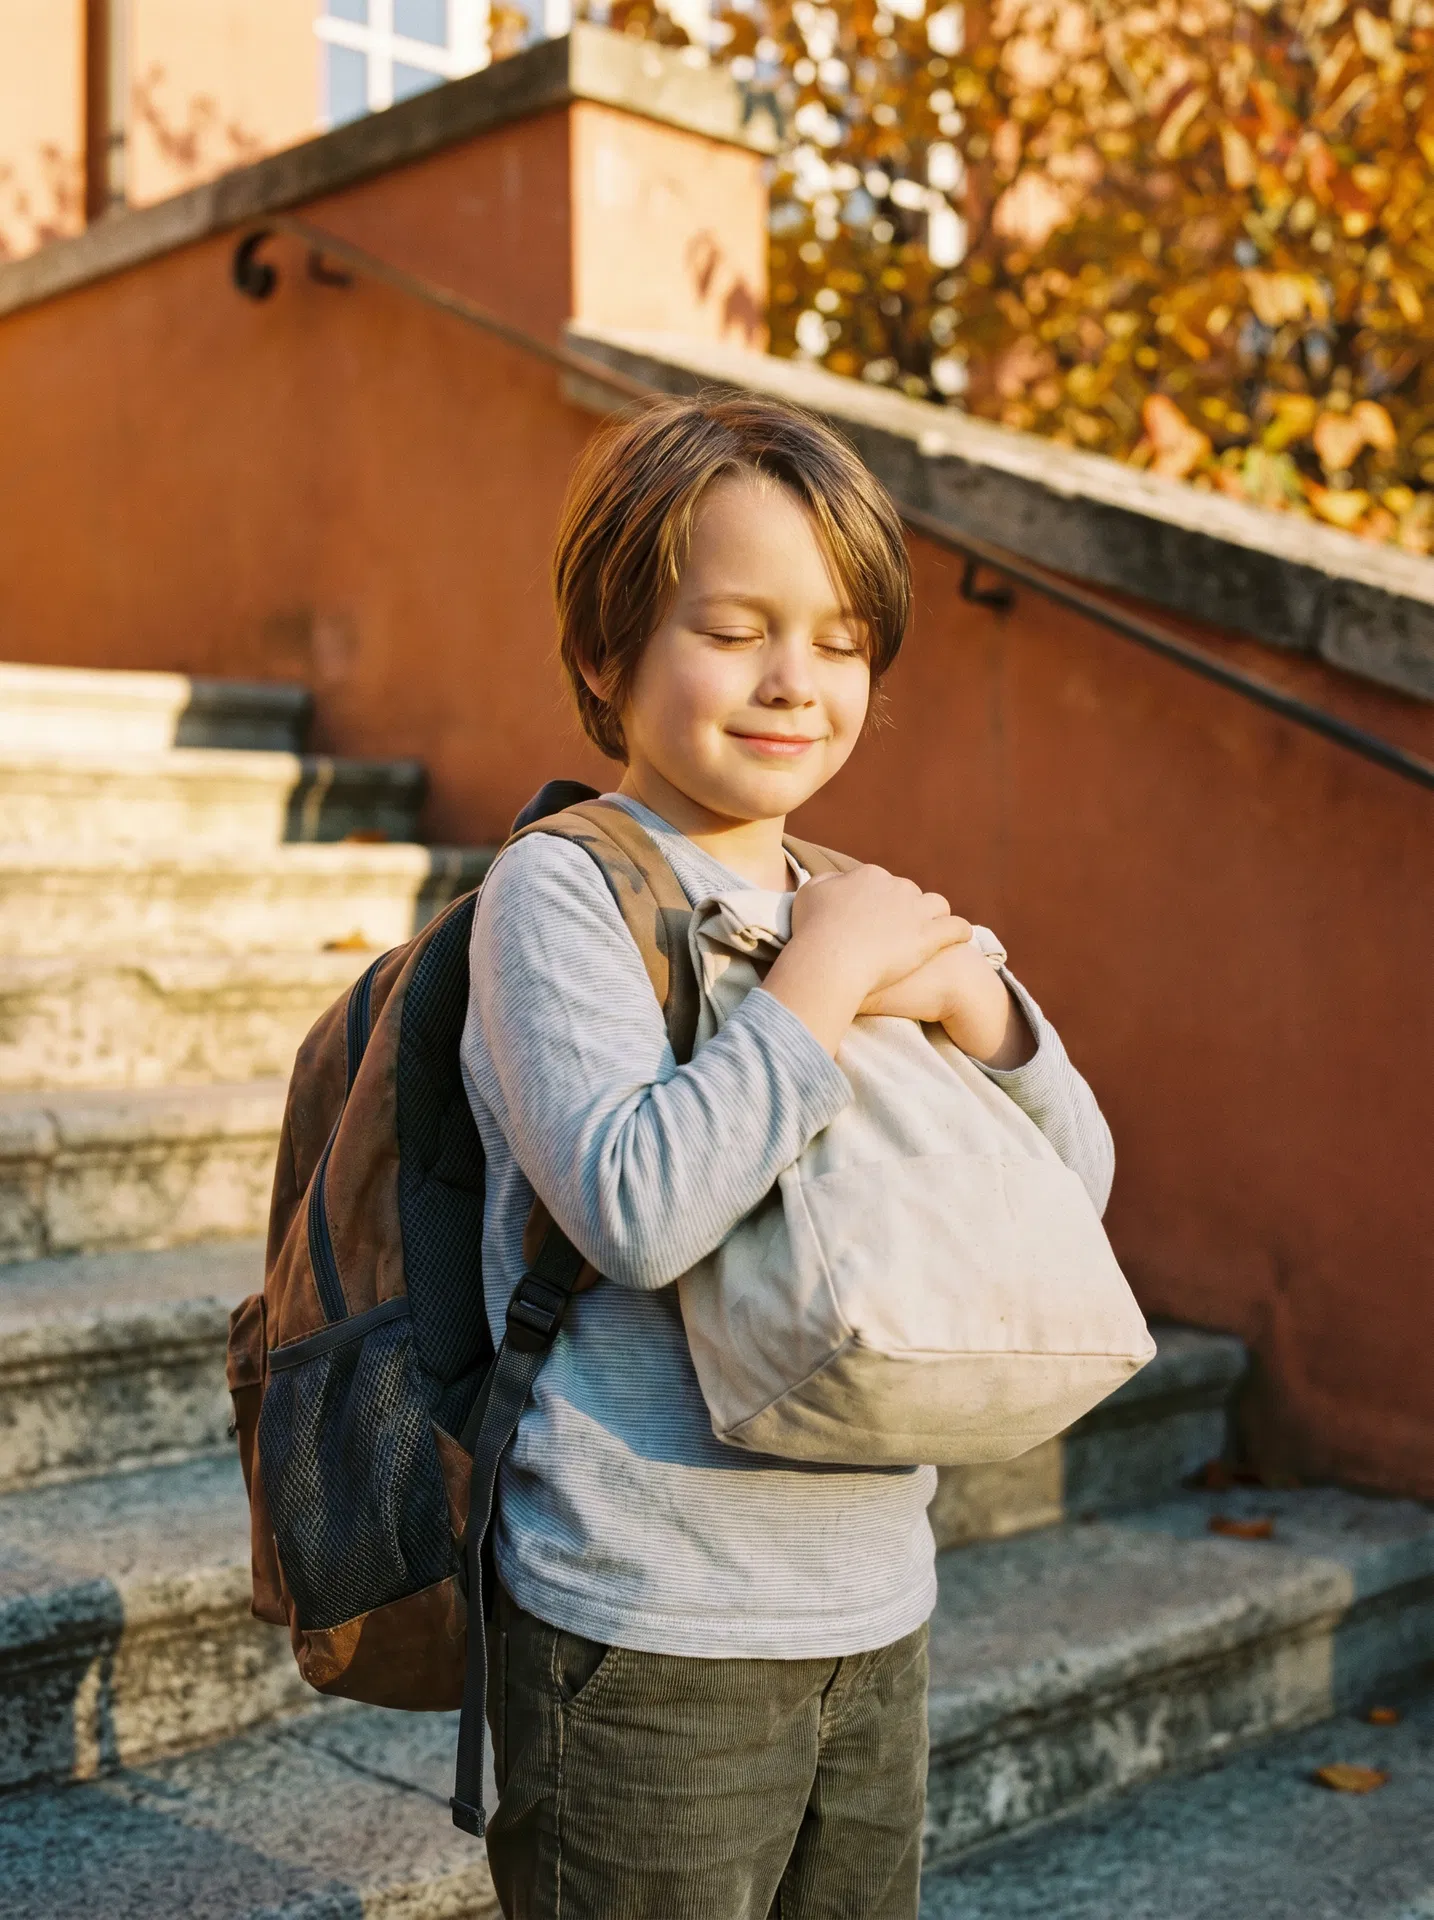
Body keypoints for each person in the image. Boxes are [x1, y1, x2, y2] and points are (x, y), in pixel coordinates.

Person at [459, 391, 1114, 1919]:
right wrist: (821, 988)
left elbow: (1064, 1195)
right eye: (734, 626)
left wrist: (977, 1003)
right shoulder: (563, 892)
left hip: (872, 1600)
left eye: (836, 638)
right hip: (644, 1620)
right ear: (604, 656)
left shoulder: (852, 893)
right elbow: (636, 1208)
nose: (791, 681)